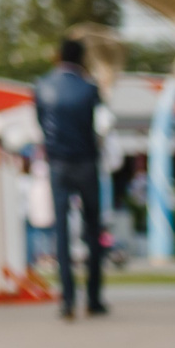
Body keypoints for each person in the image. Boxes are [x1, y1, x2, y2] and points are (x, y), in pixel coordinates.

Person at [33, 37, 106, 318]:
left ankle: (67, 299)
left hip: (58, 164)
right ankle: (94, 298)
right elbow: (100, 125)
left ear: (58, 56)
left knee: (61, 232)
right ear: (82, 58)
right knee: (92, 230)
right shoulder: (90, 88)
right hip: (86, 162)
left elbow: (41, 123)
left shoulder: (42, 86)